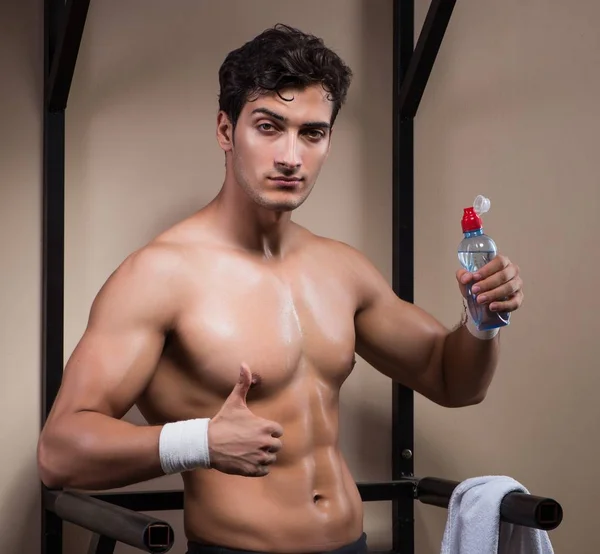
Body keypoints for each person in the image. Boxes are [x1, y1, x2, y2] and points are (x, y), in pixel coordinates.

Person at [37, 24, 524, 554]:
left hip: (351, 545)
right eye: (269, 127)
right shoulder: (158, 276)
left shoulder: (341, 269)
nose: (291, 156)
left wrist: (480, 322)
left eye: (311, 133)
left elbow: (453, 381)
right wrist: (198, 442)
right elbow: (60, 452)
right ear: (226, 130)